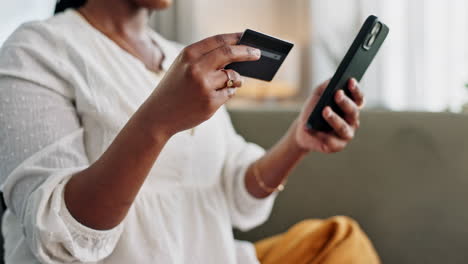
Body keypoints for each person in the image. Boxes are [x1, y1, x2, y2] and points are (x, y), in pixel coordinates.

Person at [0, 0, 380, 263]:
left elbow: (235, 192)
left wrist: (298, 140)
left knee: (341, 242)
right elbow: (56, 235)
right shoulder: (36, 49)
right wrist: (158, 122)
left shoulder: (181, 56)